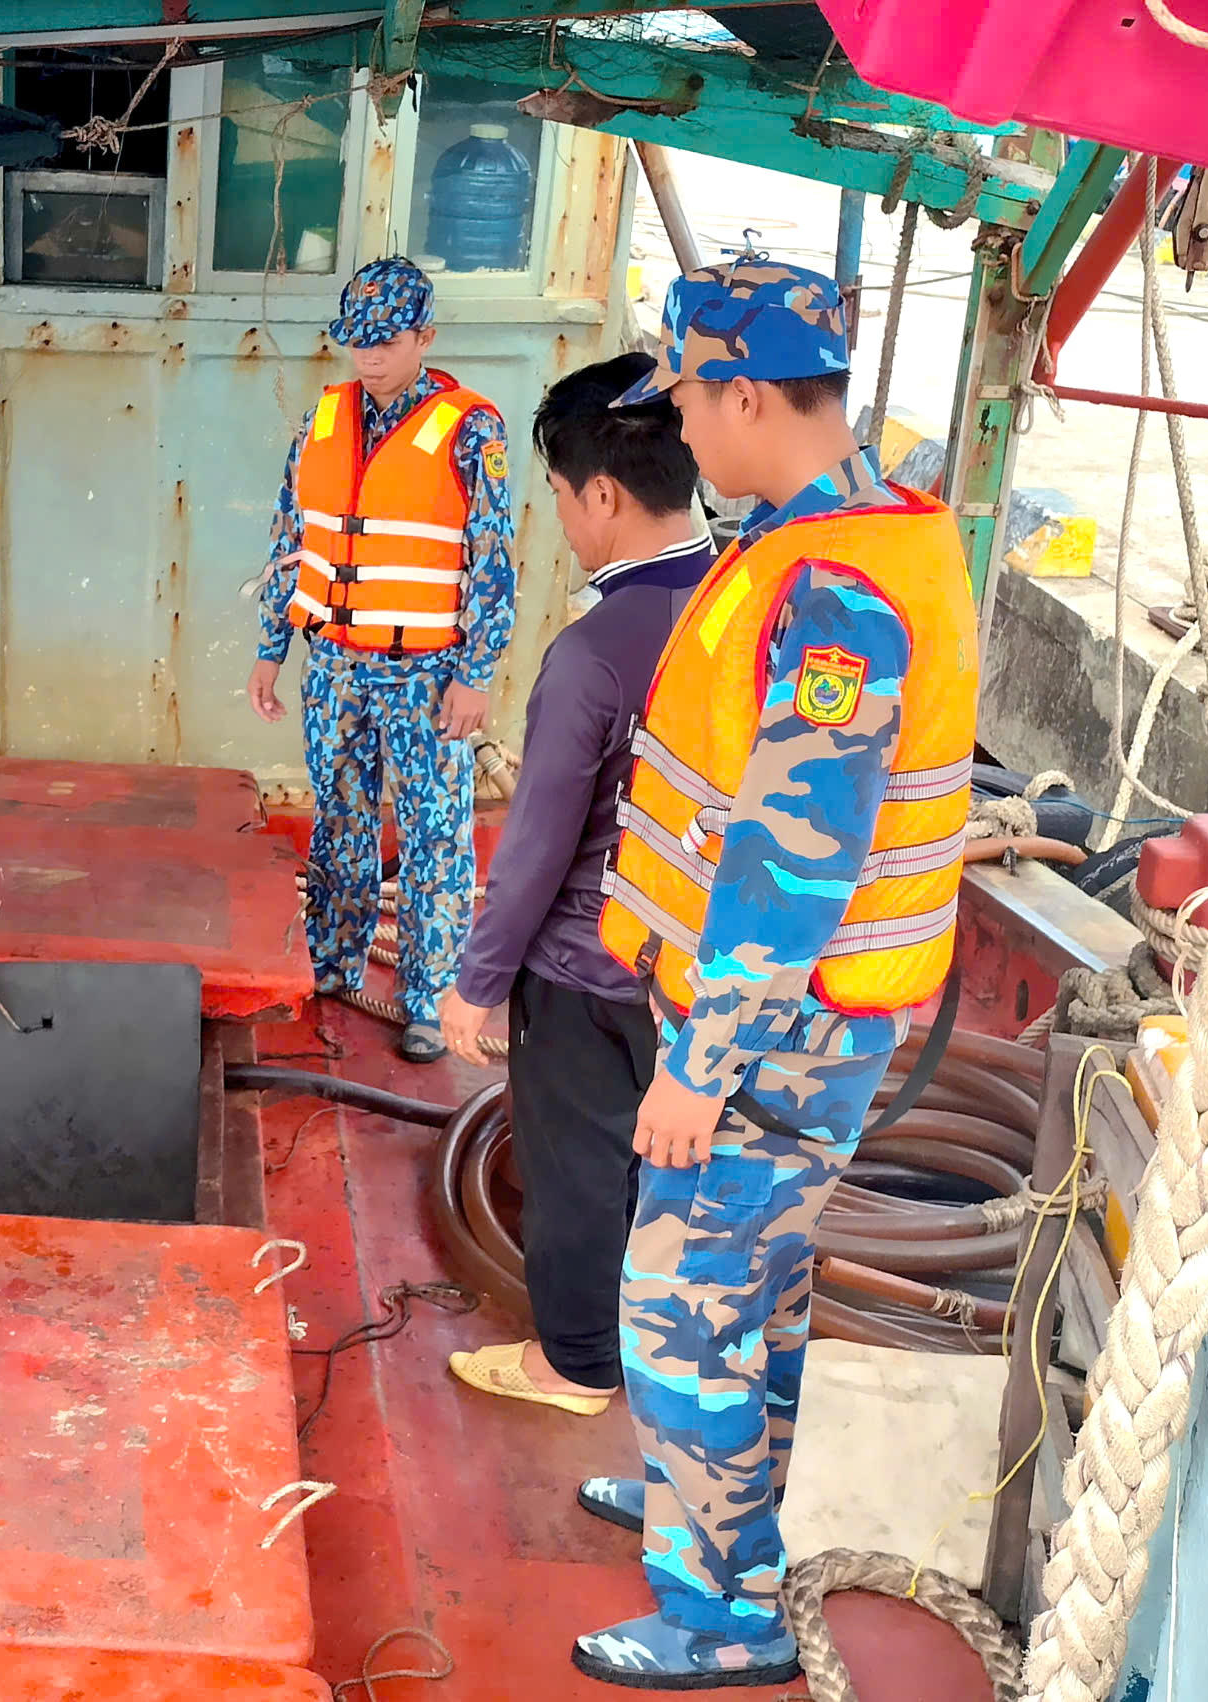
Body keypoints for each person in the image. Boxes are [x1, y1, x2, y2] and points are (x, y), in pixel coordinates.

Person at [570, 256, 977, 1690]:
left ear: (745, 394)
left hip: (774, 1032)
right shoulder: (840, 530)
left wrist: (700, 1065)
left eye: (687, 397)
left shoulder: (839, 588)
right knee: (756, 1293)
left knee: (678, 1307)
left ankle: (723, 1610)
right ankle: (704, 1498)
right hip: (786, 1023)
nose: (678, 426)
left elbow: (793, 860)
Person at [435, 352, 712, 1419]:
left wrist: (477, 983)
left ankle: (577, 1365)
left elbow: (537, 846)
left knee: (578, 1168)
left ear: (601, 495)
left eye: (556, 492)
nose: (558, 516)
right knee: (667, 1165)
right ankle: (659, 1344)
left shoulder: (595, 652)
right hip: (700, 965)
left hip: (587, 967)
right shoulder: (745, 607)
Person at [246, 256, 519, 1063]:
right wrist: (270, 649)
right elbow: (290, 539)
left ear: (424, 337)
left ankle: (430, 995)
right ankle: (334, 960)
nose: (368, 357)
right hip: (334, 664)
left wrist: (475, 673)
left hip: (425, 673)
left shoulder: (471, 430)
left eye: (387, 342)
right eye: (357, 340)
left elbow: (493, 558)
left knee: (436, 833)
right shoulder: (324, 419)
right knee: (339, 816)